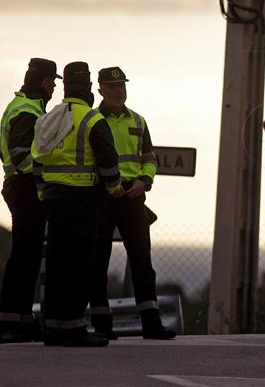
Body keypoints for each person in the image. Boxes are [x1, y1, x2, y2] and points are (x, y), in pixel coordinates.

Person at [31, 61, 123, 347]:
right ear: (88, 88)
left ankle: (54, 327)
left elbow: (37, 160)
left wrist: (43, 192)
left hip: (54, 199)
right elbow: (108, 160)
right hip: (82, 199)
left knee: (57, 263)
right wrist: (114, 187)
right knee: (81, 263)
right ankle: (74, 327)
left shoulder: (49, 118)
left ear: (67, 86)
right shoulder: (92, 119)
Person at [88, 66, 175, 340]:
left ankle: (151, 324)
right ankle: (102, 325)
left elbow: (149, 158)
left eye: (122, 85)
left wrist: (144, 182)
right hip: (102, 196)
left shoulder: (138, 121)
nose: (118, 90)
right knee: (98, 261)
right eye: (112, 86)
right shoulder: (91, 120)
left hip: (133, 197)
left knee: (142, 261)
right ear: (100, 89)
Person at [0, 58, 60, 343]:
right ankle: (10, 324)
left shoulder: (22, 106)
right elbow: (22, 155)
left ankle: (20, 321)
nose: (55, 87)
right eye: (53, 82)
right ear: (46, 82)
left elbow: (6, 151)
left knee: (29, 257)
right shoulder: (28, 111)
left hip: (20, 186)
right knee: (24, 257)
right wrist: (47, 174)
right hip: (26, 187)